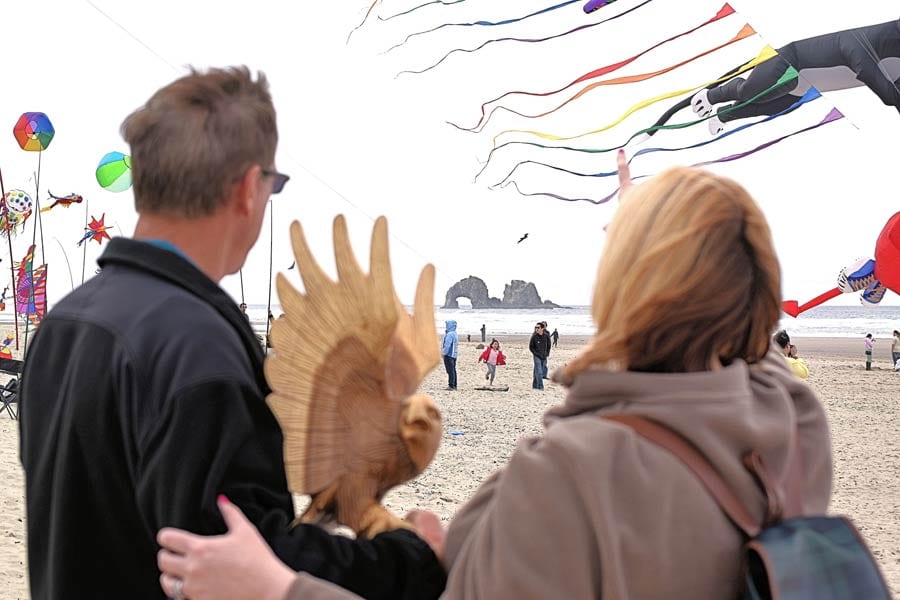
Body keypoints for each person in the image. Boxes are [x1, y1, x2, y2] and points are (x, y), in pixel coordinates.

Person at [156, 157, 833, 599]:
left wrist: (275, 589)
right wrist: (666, 238)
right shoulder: (793, 423)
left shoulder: (576, 471)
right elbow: (731, 332)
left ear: (628, 284)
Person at [18, 67, 444, 600]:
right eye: (273, 185)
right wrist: (411, 560)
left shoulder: (62, 323)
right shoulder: (198, 349)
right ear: (248, 188)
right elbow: (243, 562)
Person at [528, 322, 550, 390]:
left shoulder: (546, 336)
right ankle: (540, 386)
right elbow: (531, 347)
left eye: (538, 328)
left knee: (537, 372)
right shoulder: (534, 336)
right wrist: (535, 353)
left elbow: (549, 345)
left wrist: (547, 353)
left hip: (544, 356)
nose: (536, 329)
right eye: (535, 328)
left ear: (542, 328)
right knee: (539, 372)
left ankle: (535, 386)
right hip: (537, 356)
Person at [442, 319, 459, 390]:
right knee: (453, 370)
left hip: (449, 355)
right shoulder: (455, 333)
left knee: (450, 370)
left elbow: (447, 345)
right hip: (454, 355)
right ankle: (454, 384)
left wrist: (443, 353)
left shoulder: (450, 334)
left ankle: (451, 385)